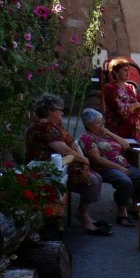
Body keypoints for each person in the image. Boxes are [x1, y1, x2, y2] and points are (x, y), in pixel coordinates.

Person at [25, 94, 108, 236]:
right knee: (92, 180)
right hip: (51, 170)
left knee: (97, 177)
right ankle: (84, 217)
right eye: (59, 109)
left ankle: (84, 213)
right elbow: (63, 150)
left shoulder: (52, 125)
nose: (62, 112)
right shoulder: (45, 127)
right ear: (50, 110)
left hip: (63, 166)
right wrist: (84, 160)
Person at [79, 108, 140, 227]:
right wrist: (119, 167)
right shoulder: (86, 138)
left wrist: (110, 133)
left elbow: (126, 145)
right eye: (98, 122)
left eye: (102, 121)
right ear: (88, 124)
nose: (101, 125)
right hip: (104, 168)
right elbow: (97, 159)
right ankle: (122, 214)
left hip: (122, 165)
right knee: (125, 182)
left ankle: (134, 207)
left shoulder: (104, 134)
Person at [103, 57, 140, 144]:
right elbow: (120, 110)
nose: (127, 72)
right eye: (124, 70)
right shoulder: (110, 88)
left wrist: (133, 106)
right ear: (115, 72)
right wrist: (135, 105)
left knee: (134, 156)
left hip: (134, 131)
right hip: (118, 131)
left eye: (128, 70)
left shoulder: (131, 87)